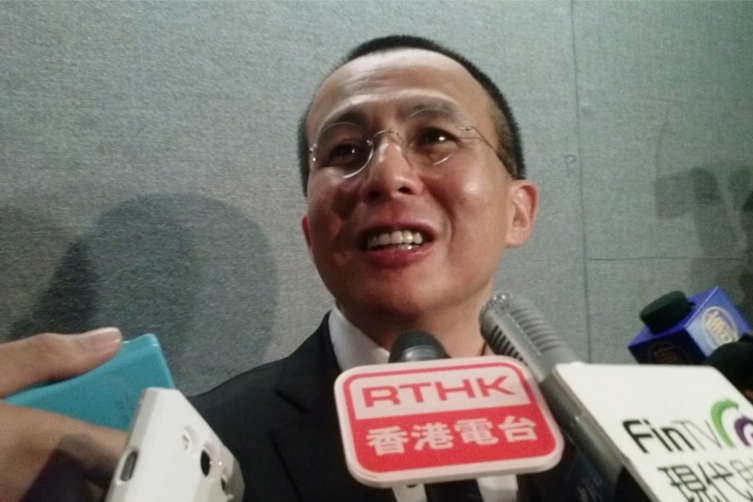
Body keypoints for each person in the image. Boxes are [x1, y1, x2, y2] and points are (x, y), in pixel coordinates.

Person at [0, 35, 538, 502]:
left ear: (518, 212)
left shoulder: (585, 424)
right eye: (345, 150)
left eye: (435, 137)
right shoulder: (189, 455)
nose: (386, 174)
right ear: (312, 235)